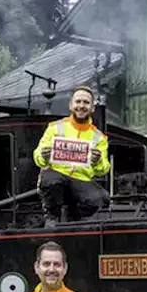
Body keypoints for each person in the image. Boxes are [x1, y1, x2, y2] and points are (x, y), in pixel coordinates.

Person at [33, 86, 111, 225]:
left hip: (81, 180)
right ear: (71, 105)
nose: (81, 106)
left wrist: (98, 160)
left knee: (101, 198)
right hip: (57, 175)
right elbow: (38, 156)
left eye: (86, 103)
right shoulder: (55, 127)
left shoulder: (99, 137)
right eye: (78, 101)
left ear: (92, 108)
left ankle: (77, 220)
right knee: (50, 179)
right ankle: (52, 217)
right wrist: (44, 156)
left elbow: (104, 169)